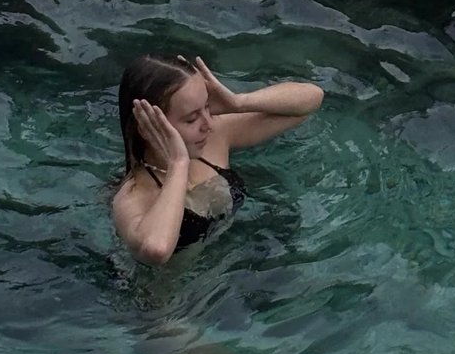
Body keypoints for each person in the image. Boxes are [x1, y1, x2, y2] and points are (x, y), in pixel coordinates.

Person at [112, 54, 324, 265]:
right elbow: (156, 250)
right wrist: (178, 163)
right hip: (173, 287)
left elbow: (311, 100)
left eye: (207, 106)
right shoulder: (134, 197)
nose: (208, 124)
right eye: (191, 119)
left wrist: (238, 103)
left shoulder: (214, 139)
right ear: (147, 127)